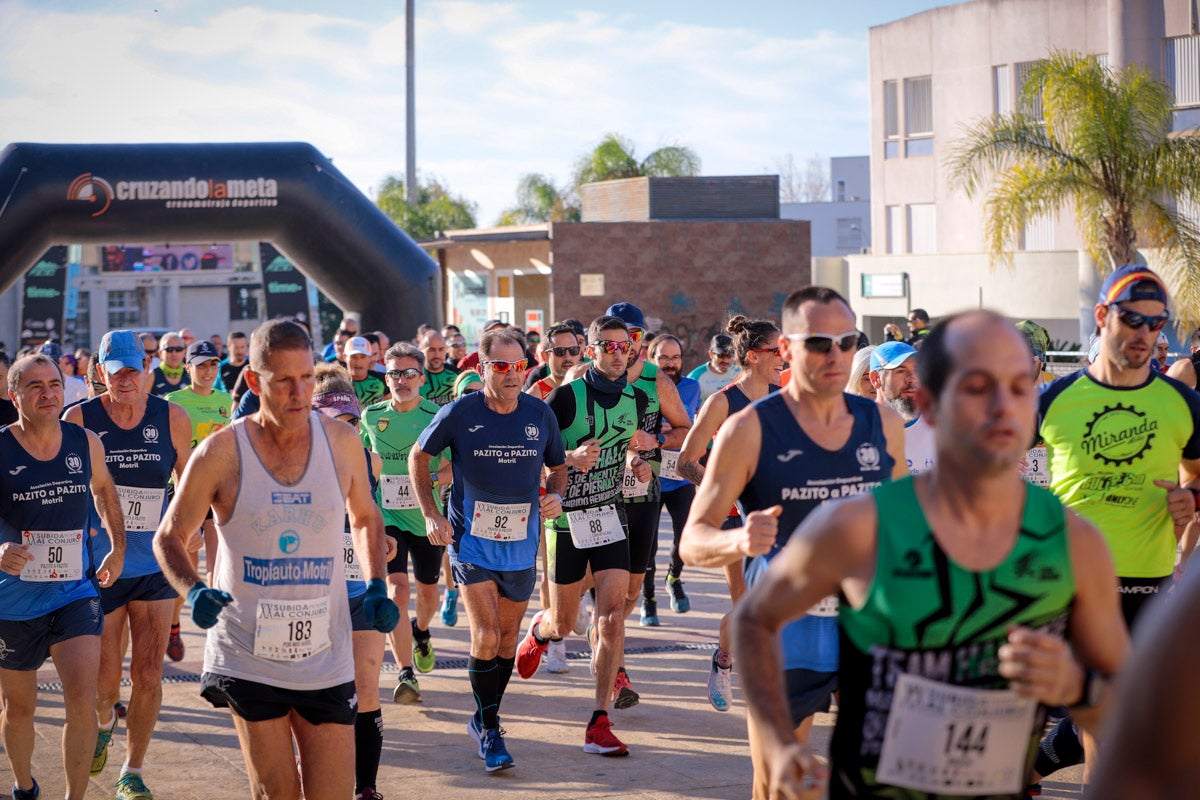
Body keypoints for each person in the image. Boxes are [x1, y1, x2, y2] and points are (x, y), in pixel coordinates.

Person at [733, 310, 1128, 800]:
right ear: (931, 404)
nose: (1002, 407)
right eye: (977, 387)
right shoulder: (856, 523)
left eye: (1019, 387)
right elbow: (753, 621)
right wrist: (777, 741)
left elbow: (1128, 707)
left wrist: (1077, 688)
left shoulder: (1073, 541)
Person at [153, 319, 399, 800]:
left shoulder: (342, 442)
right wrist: (194, 590)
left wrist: (375, 583)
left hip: (325, 651)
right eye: (283, 380)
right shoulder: (221, 452)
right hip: (248, 651)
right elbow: (169, 537)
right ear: (252, 380)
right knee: (277, 792)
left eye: (306, 377)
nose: (299, 392)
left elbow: (367, 517)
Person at [680, 286, 906, 799]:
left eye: (847, 342)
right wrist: (741, 540)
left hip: (863, 626)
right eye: (819, 343)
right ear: (786, 350)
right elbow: (693, 540)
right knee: (779, 786)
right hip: (783, 632)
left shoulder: (883, 424)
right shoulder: (748, 429)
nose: (836, 355)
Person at [1032, 264, 1200, 786]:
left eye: (1157, 323)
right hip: (1067, 580)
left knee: (1119, 717)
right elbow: (988, 473)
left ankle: (1031, 770)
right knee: (1098, 724)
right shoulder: (1054, 400)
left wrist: (1190, 497)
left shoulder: (1182, 402)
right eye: (1133, 320)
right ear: (1103, 315)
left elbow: (1196, 473)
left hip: (1146, 581)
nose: (1146, 334)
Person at [410, 328, 566, 772]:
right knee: (487, 635)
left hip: (521, 543)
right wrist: (431, 514)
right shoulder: (461, 412)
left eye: (519, 366)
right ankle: (491, 730)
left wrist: (556, 495)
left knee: (507, 641)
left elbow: (558, 467)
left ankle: (483, 718)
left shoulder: (539, 413)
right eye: (501, 366)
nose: (512, 374)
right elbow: (419, 457)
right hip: (471, 541)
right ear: (482, 370)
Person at [63, 330, 192, 800]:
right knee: (103, 683)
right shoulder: (79, 419)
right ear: (100, 372)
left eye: (133, 371)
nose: (126, 381)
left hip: (155, 565)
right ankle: (103, 723)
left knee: (149, 674)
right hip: (102, 568)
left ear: (147, 369)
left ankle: (132, 771)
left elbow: (188, 480)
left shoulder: (172, 416)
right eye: (116, 373)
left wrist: (190, 525)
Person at [515, 315, 651, 757]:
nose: (618, 353)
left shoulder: (637, 398)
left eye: (624, 346)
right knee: (565, 623)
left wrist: (636, 463)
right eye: (607, 346)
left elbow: (623, 445)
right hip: (565, 521)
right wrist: (569, 458)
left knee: (612, 618)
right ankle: (540, 630)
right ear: (591, 351)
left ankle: (599, 721)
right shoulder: (564, 398)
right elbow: (529, 455)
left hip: (609, 514)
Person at [1, 353, 126, 800]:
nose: (48, 393)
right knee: (19, 708)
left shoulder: (83, 441)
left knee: (81, 697)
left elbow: (104, 488)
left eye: (54, 384)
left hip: (74, 591)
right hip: (13, 602)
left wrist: (117, 546)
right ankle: (24, 785)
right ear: (14, 395)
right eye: (35, 386)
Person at [676, 315, 783, 711]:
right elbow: (685, 461)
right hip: (736, 516)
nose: (784, 358)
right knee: (747, 607)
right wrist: (722, 492)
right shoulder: (722, 402)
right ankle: (724, 660)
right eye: (777, 351)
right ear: (754, 356)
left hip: (776, 512)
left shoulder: (785, 397)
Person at [310, 365, 394, 800]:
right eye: (335, 421)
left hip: (361, 591)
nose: (346, 431)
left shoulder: (369, 459)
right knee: (314, 692)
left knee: (366, 685)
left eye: (351, 422)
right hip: (309, 596)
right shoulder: (294, 462)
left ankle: (367, 788)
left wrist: (384, 539)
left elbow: (370, 517)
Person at [602, 301, 692, 704]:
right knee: (607, 595)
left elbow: (685, 429)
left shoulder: (657, 381)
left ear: (642, 339)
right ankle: (617, 671)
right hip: (597, 498)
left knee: (631, 591)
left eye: (633, 336)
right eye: (615, 339)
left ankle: (603, 642)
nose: (624, 346)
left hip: (643, 495)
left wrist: (655, 439)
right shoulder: (582, 380)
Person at [359, 342, 449, 706]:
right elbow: (362, 463)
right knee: (397, 591)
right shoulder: (371, 416)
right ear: (386, 378)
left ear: (422, 378)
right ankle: (405, 671)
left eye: (409, 373)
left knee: (428, 593)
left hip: (426, 517)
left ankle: (421, 632)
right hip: (388, 517)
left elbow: (454, 465)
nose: (402, 380)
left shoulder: (437, 415)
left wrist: (427, 481)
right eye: (394, 373)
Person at [163, 340, 233, 662]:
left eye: (213, 365)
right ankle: (174, 623)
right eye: (201, 365)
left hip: (216, 489)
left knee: (219, 564)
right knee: (188, 569)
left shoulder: (225, 400)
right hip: (184, 491)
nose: (208, 371)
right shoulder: (173, 402)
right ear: (187, 367)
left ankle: (219, 633)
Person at [641, 334, 701, 627]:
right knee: (648, 545)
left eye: (675, 357)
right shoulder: (641, 387)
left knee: (685, 535)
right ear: (651, 359)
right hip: (648, 476)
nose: (670, 363)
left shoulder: (692, 387)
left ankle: (674, 577)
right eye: (663, 357)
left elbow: (691, 427)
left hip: (679, 476)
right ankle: (648, 599)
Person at [870, 341, 936, 475]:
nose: (912, 379)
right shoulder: (857, 429)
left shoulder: (937, 427)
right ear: (876, 379)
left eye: (916, 370)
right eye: (900, 371)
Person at [528, 323, 582, 400]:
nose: (567, 357)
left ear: (579, 353)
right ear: (545, 356)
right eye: (560, 351)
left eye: (573, 350)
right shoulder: (534, 397)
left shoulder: (590, 385)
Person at [687, 334, 741, 401]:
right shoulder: (695, 378)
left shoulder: (740, 372)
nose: (726, 360)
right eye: (721, 355)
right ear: (711, 354)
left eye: (729, 356)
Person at [418, 331, 458, 407]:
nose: (437, 355)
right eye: (431, 350)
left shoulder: (457, 374)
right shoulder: (414, 377)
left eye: (441, 349)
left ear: (446, 350)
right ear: (421, 350)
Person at [345, 337, 387, 408]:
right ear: (344, 357)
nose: (358, 362)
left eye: (363, 357)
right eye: (353, 357)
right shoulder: (337, 383)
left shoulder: (383, 379)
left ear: (370, 358)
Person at [147, 332, 190, 397]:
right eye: (169, 349)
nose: (174, 353)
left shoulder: (190, 375)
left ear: (184, 352)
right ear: (160, 353)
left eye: (178, 349)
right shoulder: (151, 376)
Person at [216, 331, 249, 397]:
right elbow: (215, 391)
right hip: (228, 402)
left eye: (242, 347)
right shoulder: (220, 367)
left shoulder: (252, 365)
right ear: (228, 346)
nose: (240, 351)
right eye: (236, 347)